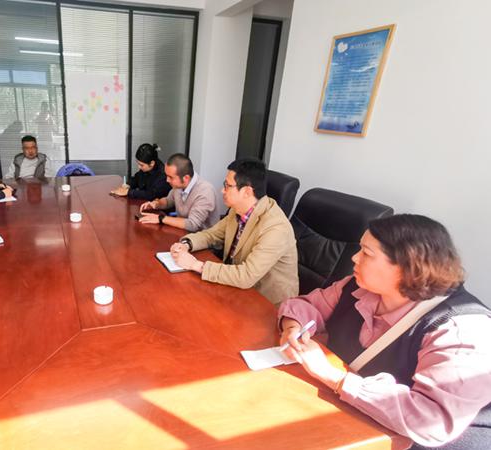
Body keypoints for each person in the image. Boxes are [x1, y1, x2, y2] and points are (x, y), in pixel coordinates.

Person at [277, 214, 491, 449]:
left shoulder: (461, 331)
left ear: (408, 266)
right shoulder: (359, 287)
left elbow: (432, 421)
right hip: (352, 417)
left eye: (367, 253)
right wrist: (293, 327)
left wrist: (334, 377)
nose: (354, 257)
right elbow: (308, 305)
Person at [169, 159, 298, 304]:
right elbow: (212, 234)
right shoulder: (237, 209)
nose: (222, 190)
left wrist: (195, 265)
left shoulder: (276, 227)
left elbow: (247, 276)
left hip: (266, 303)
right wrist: (186, 244)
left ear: (247, 191)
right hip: (236, 289)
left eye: (228, 186)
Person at [138, 153, 220, 231]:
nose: (167, 180)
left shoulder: (205, 191)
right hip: (182, 233)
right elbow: (168, 201)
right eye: (167, 176)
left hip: (201, 238)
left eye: (170, 177)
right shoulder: (179, 185)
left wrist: (161, 218)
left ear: (186, 178)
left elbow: (192, 224)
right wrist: (156, 204)